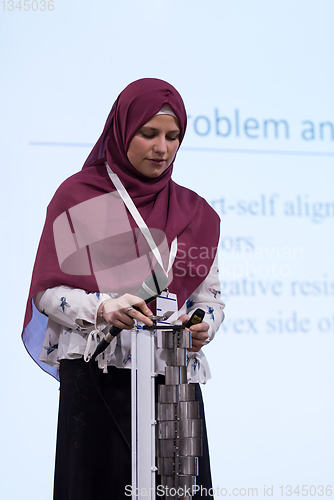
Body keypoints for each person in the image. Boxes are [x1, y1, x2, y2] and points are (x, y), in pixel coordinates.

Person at [22, 78, 225, 499]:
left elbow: (209, 298)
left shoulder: (194, 212)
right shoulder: (76, 197)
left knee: (182, 493)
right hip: (98, 378)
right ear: (121, 130)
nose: (162, 148)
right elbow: (45, 292)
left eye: (173, 136)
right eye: (148, 134)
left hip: (173, 380)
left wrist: (203, 323)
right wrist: (102, 308)